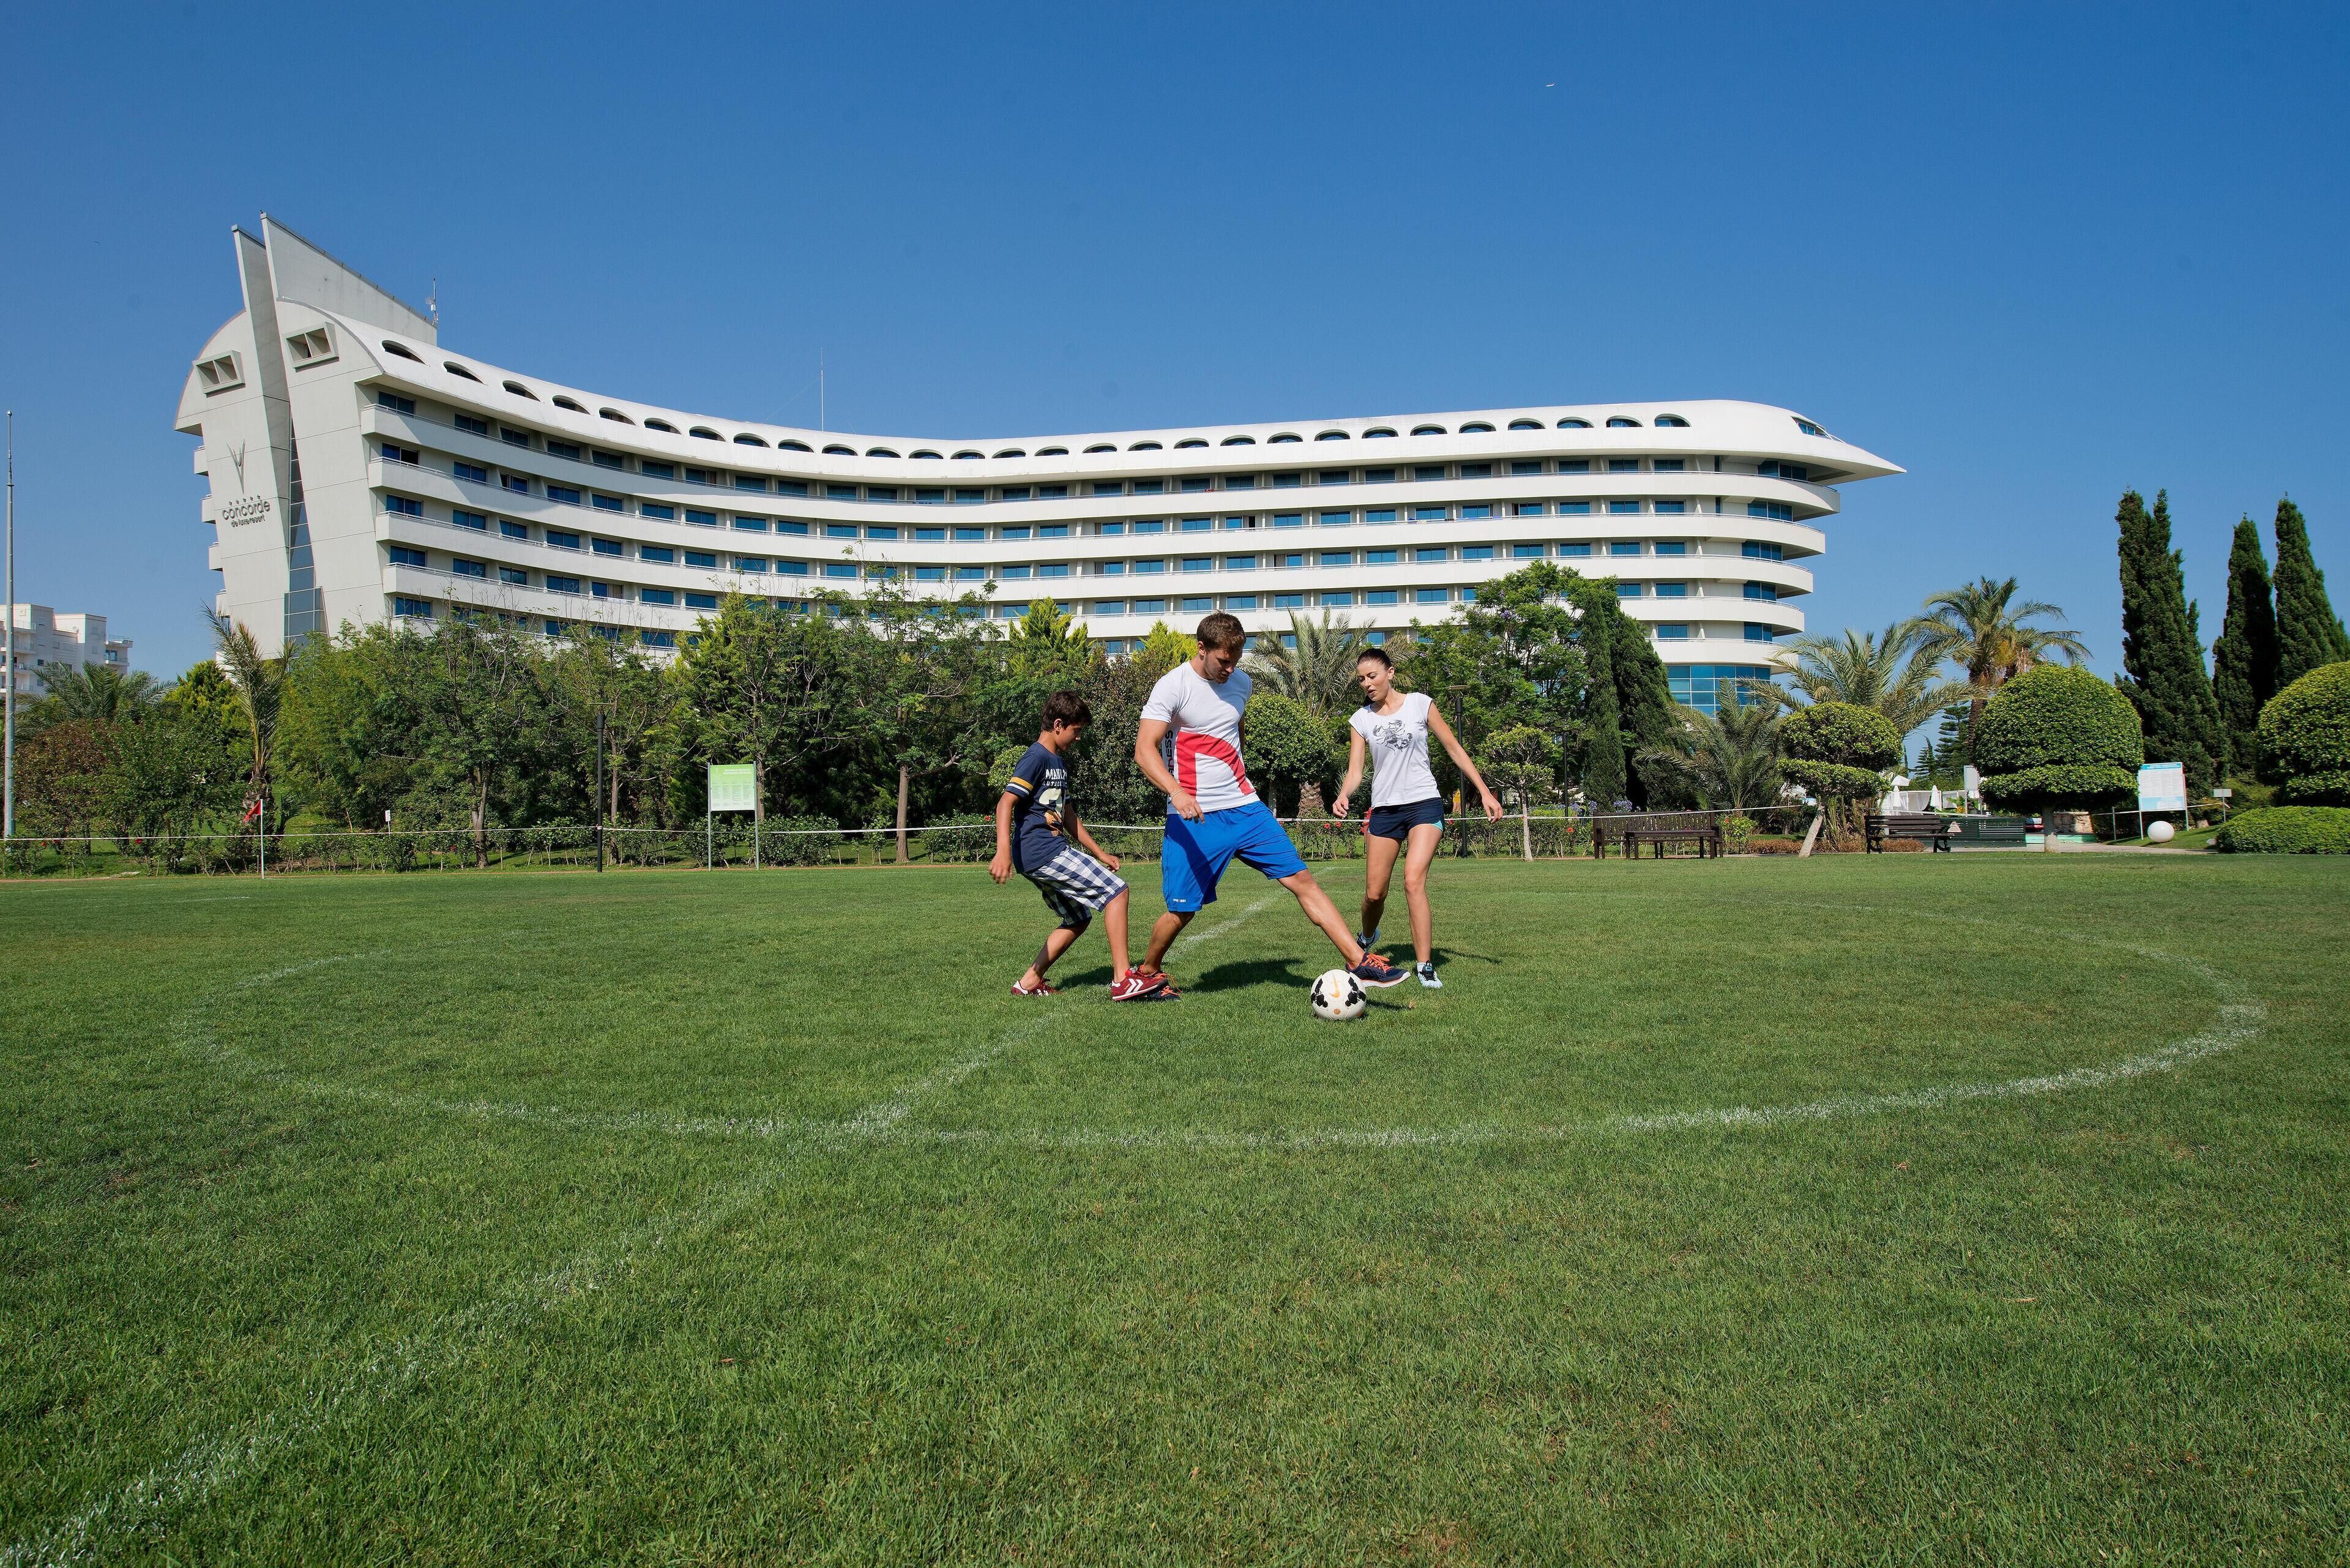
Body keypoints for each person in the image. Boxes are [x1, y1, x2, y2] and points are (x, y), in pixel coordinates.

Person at [1129, 613, 1408, 996]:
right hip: (1195, 815)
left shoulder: (1241, 683)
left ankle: (1359, 961)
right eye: (1223, 661)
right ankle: (1146, 971)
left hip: (1246, 807)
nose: (1230, 669)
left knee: (1302, 881)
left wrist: (1240, 775)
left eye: (1236, 660)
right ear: (1202, 648)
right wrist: (1177, 791)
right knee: (1183, 909)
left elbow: (1234, 730)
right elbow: (1144, 751)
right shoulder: (1172, 686)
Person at [1332, 646, 1503, 988]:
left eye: (1372, 676)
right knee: (1374, 894)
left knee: (1413, 880)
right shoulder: (1360, 719)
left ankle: (1425, 966)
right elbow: (1355, 771)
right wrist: (1344, 793)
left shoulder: (1420, 704)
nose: (1367, 683)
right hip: (1384, 809)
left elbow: (1455, 749)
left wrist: (1484, 791)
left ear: (1390, 672)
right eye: (1361, 679)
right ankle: (1367, 937)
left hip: (1425, 803)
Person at [991, 690, 1169, 1000]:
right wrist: (1003, 851)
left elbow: (1068, 816)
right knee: (1117, 891)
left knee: (1078, 918)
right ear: (1058, 725)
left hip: (1038, 856)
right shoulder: (1035, 757)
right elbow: (1006, 803)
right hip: (1043, 851)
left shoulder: (1057, 762)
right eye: (1077, 731)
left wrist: (1100, 853)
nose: (1078, 738)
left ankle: (1029, 981)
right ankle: (1123, 979)